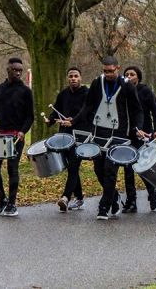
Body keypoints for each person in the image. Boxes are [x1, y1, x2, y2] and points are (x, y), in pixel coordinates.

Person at [63, 56, 144, 220]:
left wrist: (138, 128)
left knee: (109, 171)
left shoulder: (127, 86)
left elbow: (137, 110)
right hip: (99, 132)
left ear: (118, 68)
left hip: (119, 134)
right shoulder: (96, 83)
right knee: (98, 170)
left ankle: (103, 207)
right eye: (105, 71)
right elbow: (88, 105)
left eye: (111, 71)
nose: (108, 74)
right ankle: (113, 198)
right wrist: (74, 121)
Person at [0, 57, 34, 217]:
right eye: (15, 70)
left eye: (20, 70)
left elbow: (30, 116)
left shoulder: (26, 91)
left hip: (16, 136)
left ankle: (12, 204)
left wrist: (23, 131)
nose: (18, 73)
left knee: (12, 169)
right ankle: (2, 199)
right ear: (8, 70)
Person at [121, 66, 156, 212]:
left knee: (142, 167)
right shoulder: (122, 90)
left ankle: (152, 192)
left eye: (132, 74)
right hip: (127, 133)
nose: (129, 76)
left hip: (144, 133)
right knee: (128, 168)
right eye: (126, 74)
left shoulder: (145, 91)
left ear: (138, 77)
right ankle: (131, 201)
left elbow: (155, 112)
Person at [48, 67, 89, 212]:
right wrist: (50, 120)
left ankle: (65, 197)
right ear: (68, 78)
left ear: (81, 78)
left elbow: (87, 112)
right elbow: (56, 110)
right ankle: (79, 197)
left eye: (76, 76)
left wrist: (74, 120)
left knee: (74, 165)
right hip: (64, 136)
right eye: (71, 76)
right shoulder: (63, 94)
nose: (73, 78)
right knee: (71, 167)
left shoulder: (87, 93)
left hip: (80, 135)